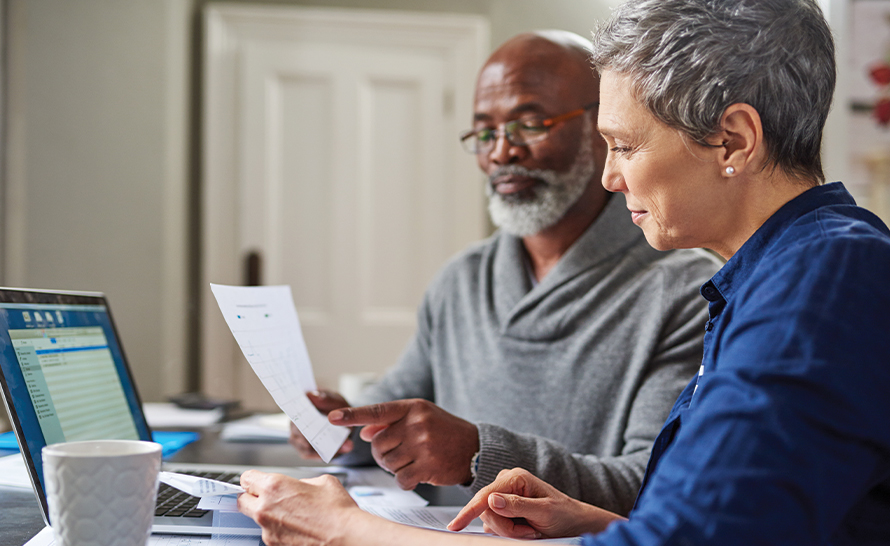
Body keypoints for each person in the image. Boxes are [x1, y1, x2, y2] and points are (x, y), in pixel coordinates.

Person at [235, 0, 890, 544]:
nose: (610, 175)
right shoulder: (775, 275)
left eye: (625, 145)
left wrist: (349, 531)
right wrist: (591, 521)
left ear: (734, 141)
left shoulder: (821, 279)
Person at [289, 30, 721, 515]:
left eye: (530, 123)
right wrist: (342, 425)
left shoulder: (686, 291)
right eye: (485, 132)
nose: (501, 152)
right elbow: (395, 415)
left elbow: (652, 480)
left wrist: (479, 454)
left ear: (602, 130)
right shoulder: (462, 281)